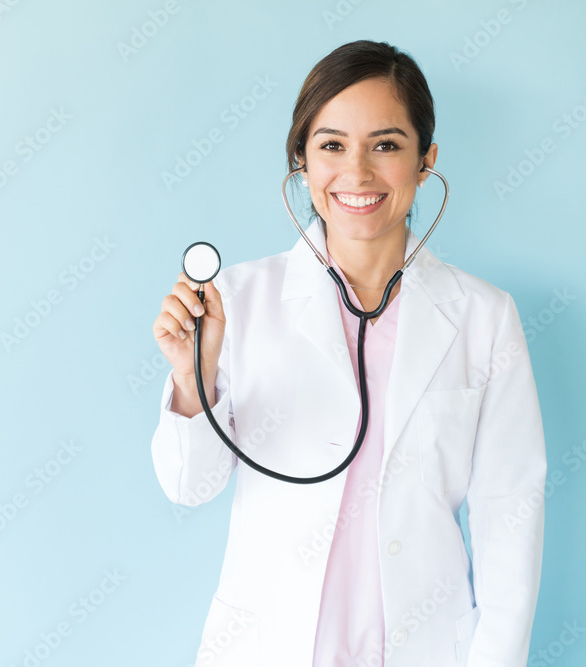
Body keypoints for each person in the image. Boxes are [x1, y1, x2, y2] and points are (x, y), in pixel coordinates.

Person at [150, 40, 547, 667]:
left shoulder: (483, 317)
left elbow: (509, 512)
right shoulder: (238, 301)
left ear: (426, 161)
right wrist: (193, 378)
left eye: (386, 145)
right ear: (301, 163)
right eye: (331, 145)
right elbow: (188, 487)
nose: (358, 172)